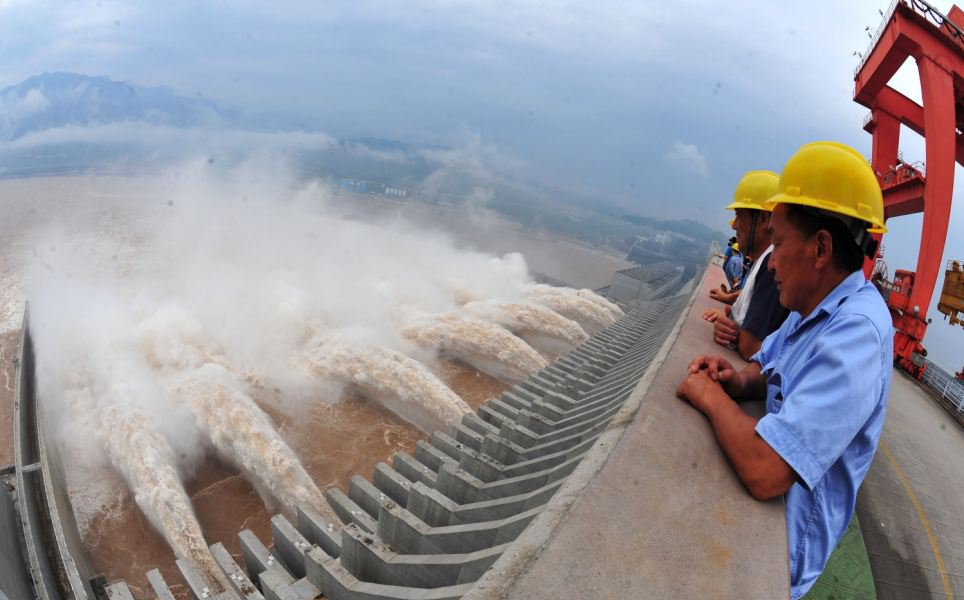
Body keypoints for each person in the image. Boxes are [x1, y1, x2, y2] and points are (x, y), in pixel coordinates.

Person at [677, 141, 893, 599]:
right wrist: (736, 381)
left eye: (777, 243)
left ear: (820, 249)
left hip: (782, 557)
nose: (769, 262)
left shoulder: (857, 334)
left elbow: (766, 470)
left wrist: (709, 396)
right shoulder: (811, 305)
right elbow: (767, 365)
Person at [704, 170, 789, 360]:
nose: (734, 225)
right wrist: (731, 308)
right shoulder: (762, 261)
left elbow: (751, 347)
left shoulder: (771, 266)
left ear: (764, 220)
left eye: (739, 215)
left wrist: (733, 332)